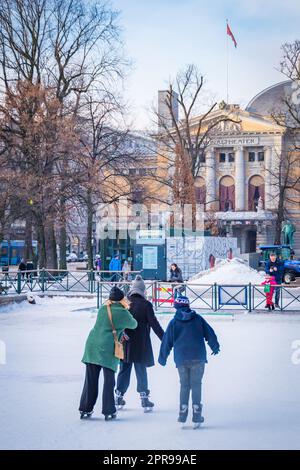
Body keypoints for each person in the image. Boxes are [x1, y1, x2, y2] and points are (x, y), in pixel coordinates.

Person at [158, 295, 220, 427]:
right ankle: (197, 414)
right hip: (198, 357)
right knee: (196, 384)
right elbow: (210, 333)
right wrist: (215, 346)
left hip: (181, 359)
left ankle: (183, 412)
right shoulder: (198, 319)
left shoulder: (174, 322)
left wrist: (162, 357)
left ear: (176, 306)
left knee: (184, 385)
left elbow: (166, 341)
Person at [79, 286, 137, 420]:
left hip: (92, 346)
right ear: (121, 299)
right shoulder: (123, 312)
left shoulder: (103, 308)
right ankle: (108, 410)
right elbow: (134, 324)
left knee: (91, 380)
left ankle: (85, 409)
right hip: (107, 349)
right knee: (109, 381)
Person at [115, 275, 164, 412]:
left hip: (126, 341)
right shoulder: (146, 305)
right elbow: (154, 324)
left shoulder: (126, 302)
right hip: (141, 343)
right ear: (142, 290)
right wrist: (165, 339)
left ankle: (118, 396)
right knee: (141, 371)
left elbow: (118, 320)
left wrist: (119, 335)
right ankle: (144, 399)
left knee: (124, 369)